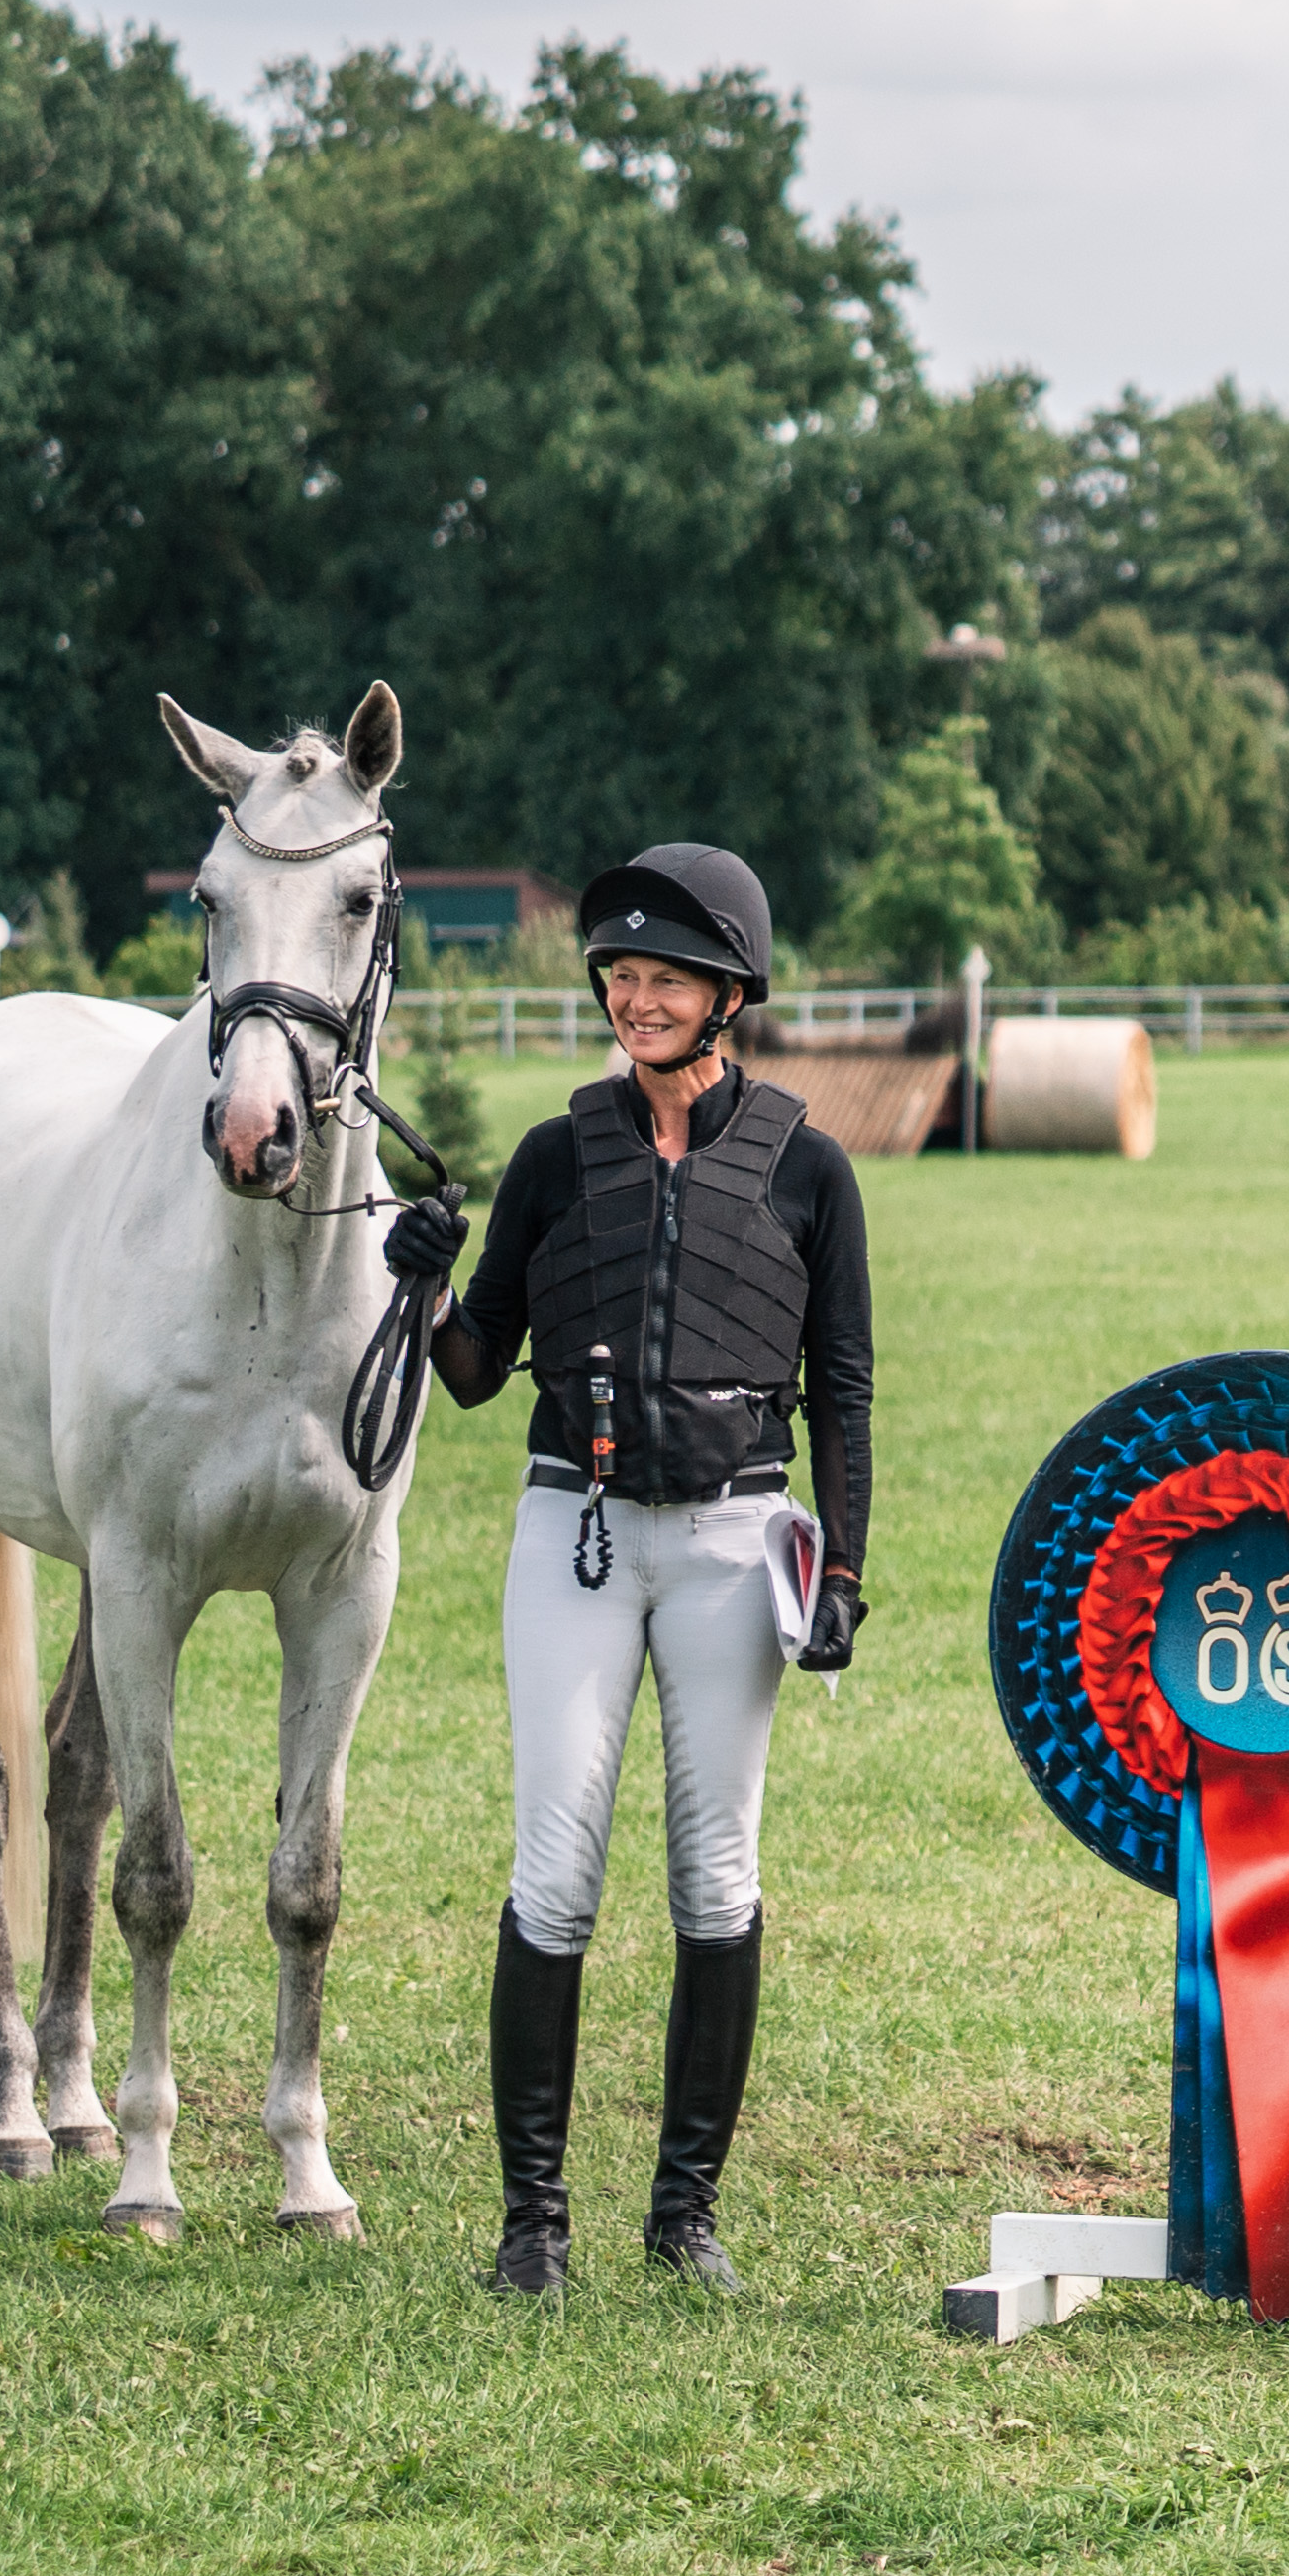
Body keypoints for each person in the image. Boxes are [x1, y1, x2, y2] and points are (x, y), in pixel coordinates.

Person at [373, 843, 874, 2296]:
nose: (635, 996)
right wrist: (422, 1283)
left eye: (665, 976)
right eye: (620, 974)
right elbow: (472, 1375)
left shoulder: (808, 1166)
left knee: (719, 1874)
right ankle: (534, 2222)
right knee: (558, 1862)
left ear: (731, 995)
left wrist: (843, 1566)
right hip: (574, 1529)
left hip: (735, 1540)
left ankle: (685, 2214)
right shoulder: (554, 1153)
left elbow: (839, 1384)